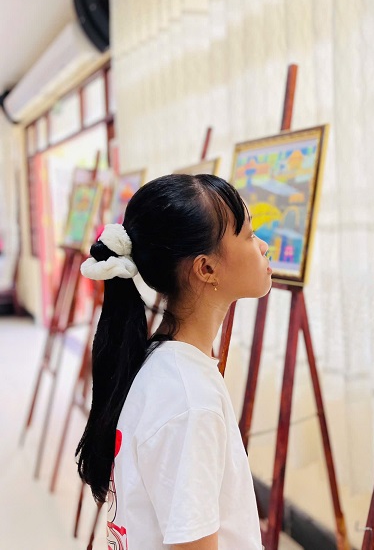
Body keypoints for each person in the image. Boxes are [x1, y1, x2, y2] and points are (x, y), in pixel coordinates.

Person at [76, 174, 270, 550]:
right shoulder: (189, 401)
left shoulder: (161, 363)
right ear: (206, 269)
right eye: (248, 235)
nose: (262, 246)